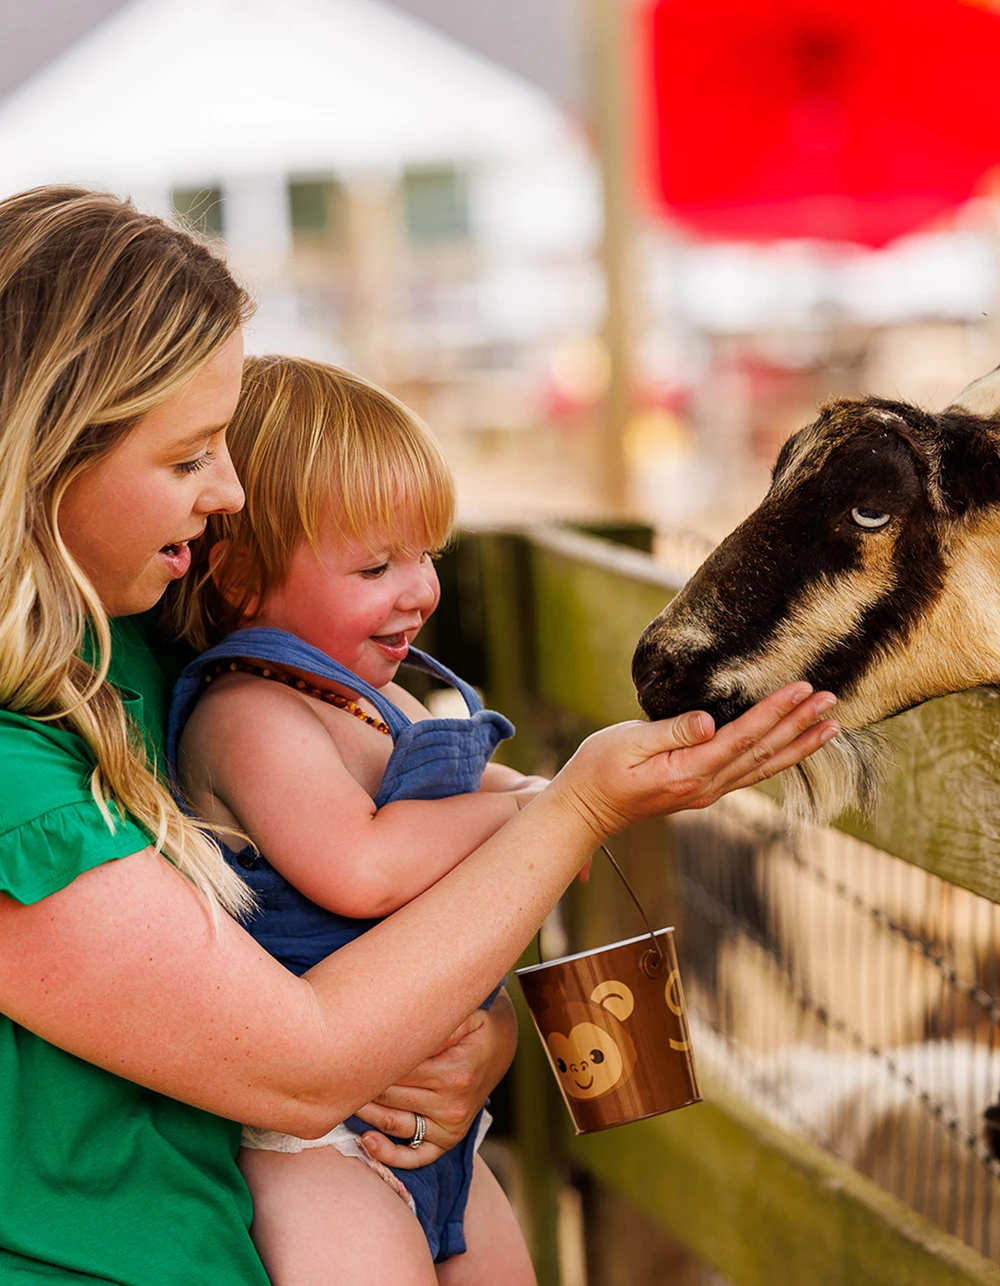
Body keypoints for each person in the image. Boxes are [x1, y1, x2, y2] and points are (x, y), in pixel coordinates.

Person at [0, 184, 841, 1286]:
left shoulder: (129, 644)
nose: (231, 493)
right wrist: (571, 805)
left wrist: (472, 1044)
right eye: (189, 456)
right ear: (49, 448)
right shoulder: (34, 777)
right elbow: (299, 1063)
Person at [166, 354, 564, 1283]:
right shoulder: (249, 714)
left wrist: (539, 802)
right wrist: (544, 820)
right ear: (238, 578)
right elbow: (363, 868)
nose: (419, 589)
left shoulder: (384, 709)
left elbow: (479, 801)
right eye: (376, 565)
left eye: (426, 553)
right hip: (317, 1153)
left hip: (435, 1132)